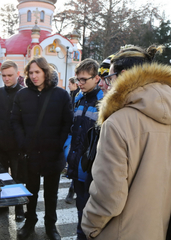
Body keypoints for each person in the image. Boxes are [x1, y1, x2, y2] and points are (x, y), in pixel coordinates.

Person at [81, 45, 171, 239]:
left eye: (109, 78)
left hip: (121, 231)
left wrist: (89, 227)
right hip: (162, 229)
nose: (108, 85)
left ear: (122, 75)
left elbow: (109, 196)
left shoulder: (116, 123)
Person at [11, 56, 73, 240]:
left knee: (51, 194)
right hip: (30, 154)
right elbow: (15, 121)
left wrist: (57, 144)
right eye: (30, 72)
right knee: (30, 192)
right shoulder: (22, 95)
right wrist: (23, 142)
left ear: (46, 72)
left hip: (53, 154)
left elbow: (66, 123)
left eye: (37, 72)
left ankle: (50, 226)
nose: (34, 76)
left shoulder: (61, 95)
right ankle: (30, 223)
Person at [65, 59, 103, 240]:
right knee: (81, 208)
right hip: (78, 166)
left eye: (83, 80)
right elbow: (73, 130)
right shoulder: (79, 99)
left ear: (96, 78)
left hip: (94, 170)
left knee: (92, 214)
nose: (79, 83)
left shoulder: (104, 102)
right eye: (77, 79)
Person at [0, 60, 25, 221]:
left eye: (10, 75)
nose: (6, 78)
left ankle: (19, 209)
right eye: (4, 76)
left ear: (17, 74)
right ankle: (1, 206)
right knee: (0, 177)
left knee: (18, 178)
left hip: (17, 147)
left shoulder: (24, 94)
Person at [64, 76, 79, 204]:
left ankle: (72, 190)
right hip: (72, 132)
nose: (68, 86)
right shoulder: (72, 96)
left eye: (70, 84)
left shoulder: (78, 97)